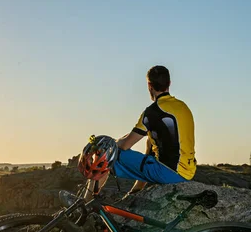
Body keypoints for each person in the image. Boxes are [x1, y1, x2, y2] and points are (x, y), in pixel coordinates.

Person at [73, 65, 197, 203]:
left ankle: (84, 204)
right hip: (187, 172)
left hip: (168, 173)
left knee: (107, 156)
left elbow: (125, 145)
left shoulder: (153, 112)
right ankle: (135, 192)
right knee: (150, 143)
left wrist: (112, 144)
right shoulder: (183, 107)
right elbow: (150, 148)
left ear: (149, 86)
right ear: (169, 83)